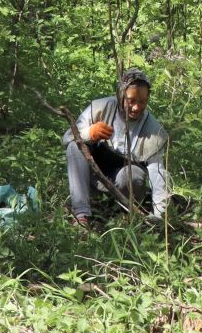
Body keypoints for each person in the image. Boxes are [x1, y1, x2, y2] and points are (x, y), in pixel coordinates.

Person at [66, 69, 170, 223]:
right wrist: (89, 134)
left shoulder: (154, 131)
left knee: (133, 173)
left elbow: (158, 174)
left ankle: (127, 213)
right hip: (93, 176)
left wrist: (161, 215)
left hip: (125, 184)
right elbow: (67, 138)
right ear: (121, 95)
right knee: (75, 147)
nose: (136, 107)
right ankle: (82, 215)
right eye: (131, 100)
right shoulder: (100, 108)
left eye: (142, 101)